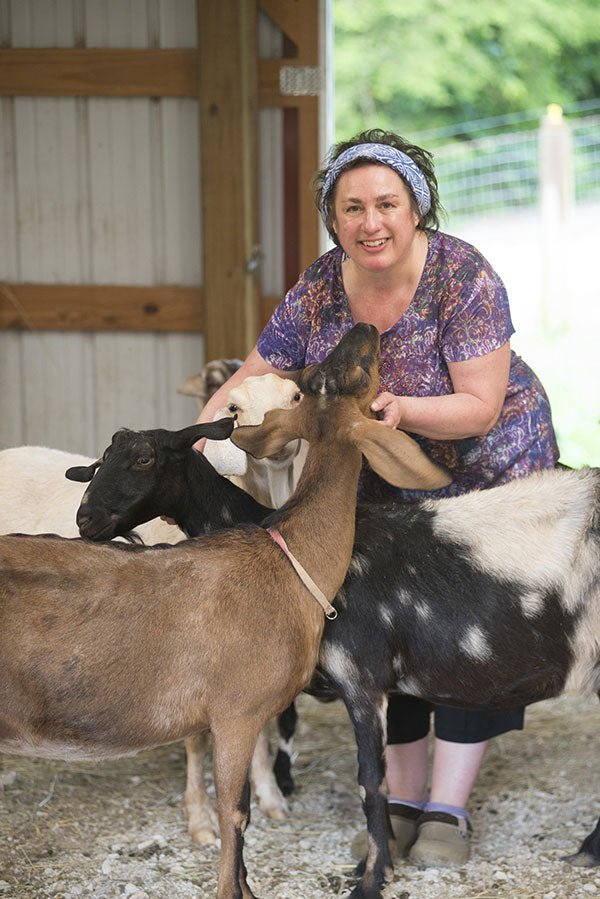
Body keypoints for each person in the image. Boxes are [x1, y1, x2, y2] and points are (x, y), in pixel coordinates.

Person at [196, 128, 560, 867]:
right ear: (333, 216)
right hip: (384, 471)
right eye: (352, 206)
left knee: (466, 628)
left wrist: (401, 409)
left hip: (487, 469)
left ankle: (447, 811)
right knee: (380, 629)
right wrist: (197, 438)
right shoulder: (322, 285)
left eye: (387, 203)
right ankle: (395, 797)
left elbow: (481, 404)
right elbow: (256, 372)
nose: (371, 222)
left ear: (417, 207)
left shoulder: (464, 276)